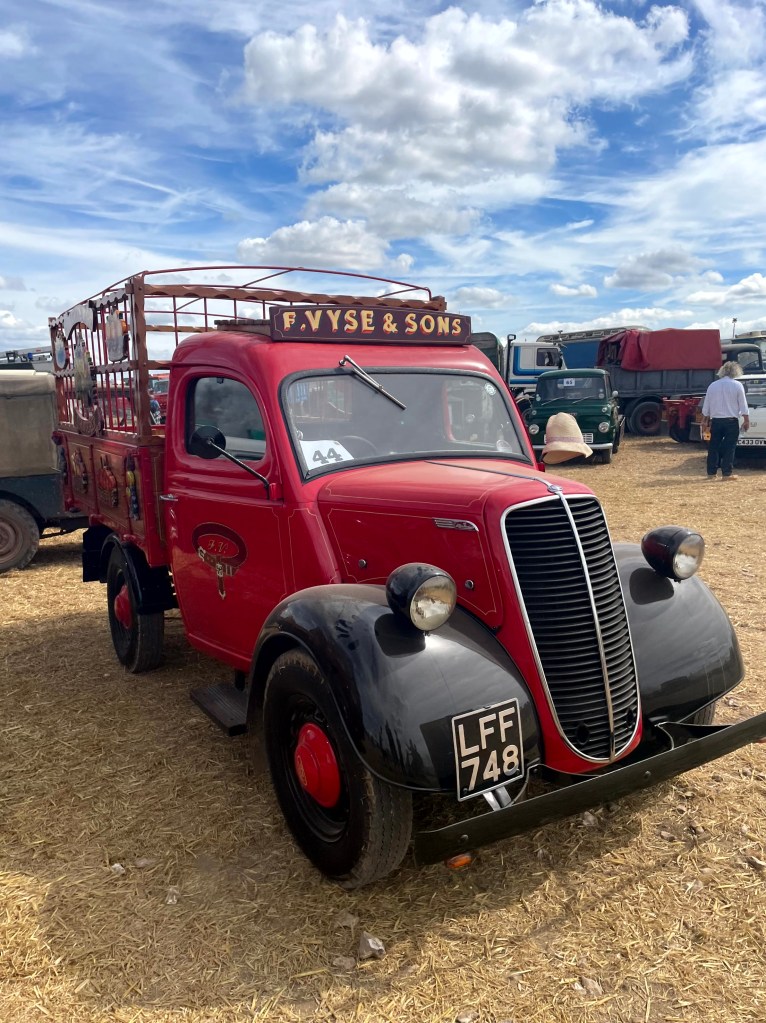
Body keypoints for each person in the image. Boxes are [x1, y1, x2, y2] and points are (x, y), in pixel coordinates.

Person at [700, 362, 750, 480]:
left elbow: (706, 406)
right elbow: (743, 405)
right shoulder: (737, 385)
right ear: (736, 372)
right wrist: (746, 420)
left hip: (716, 421)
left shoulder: (712, 385)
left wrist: (704, 420)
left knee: (713, 447)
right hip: (731, 421)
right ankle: (727, 473)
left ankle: (711, 473)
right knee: (729, 447)